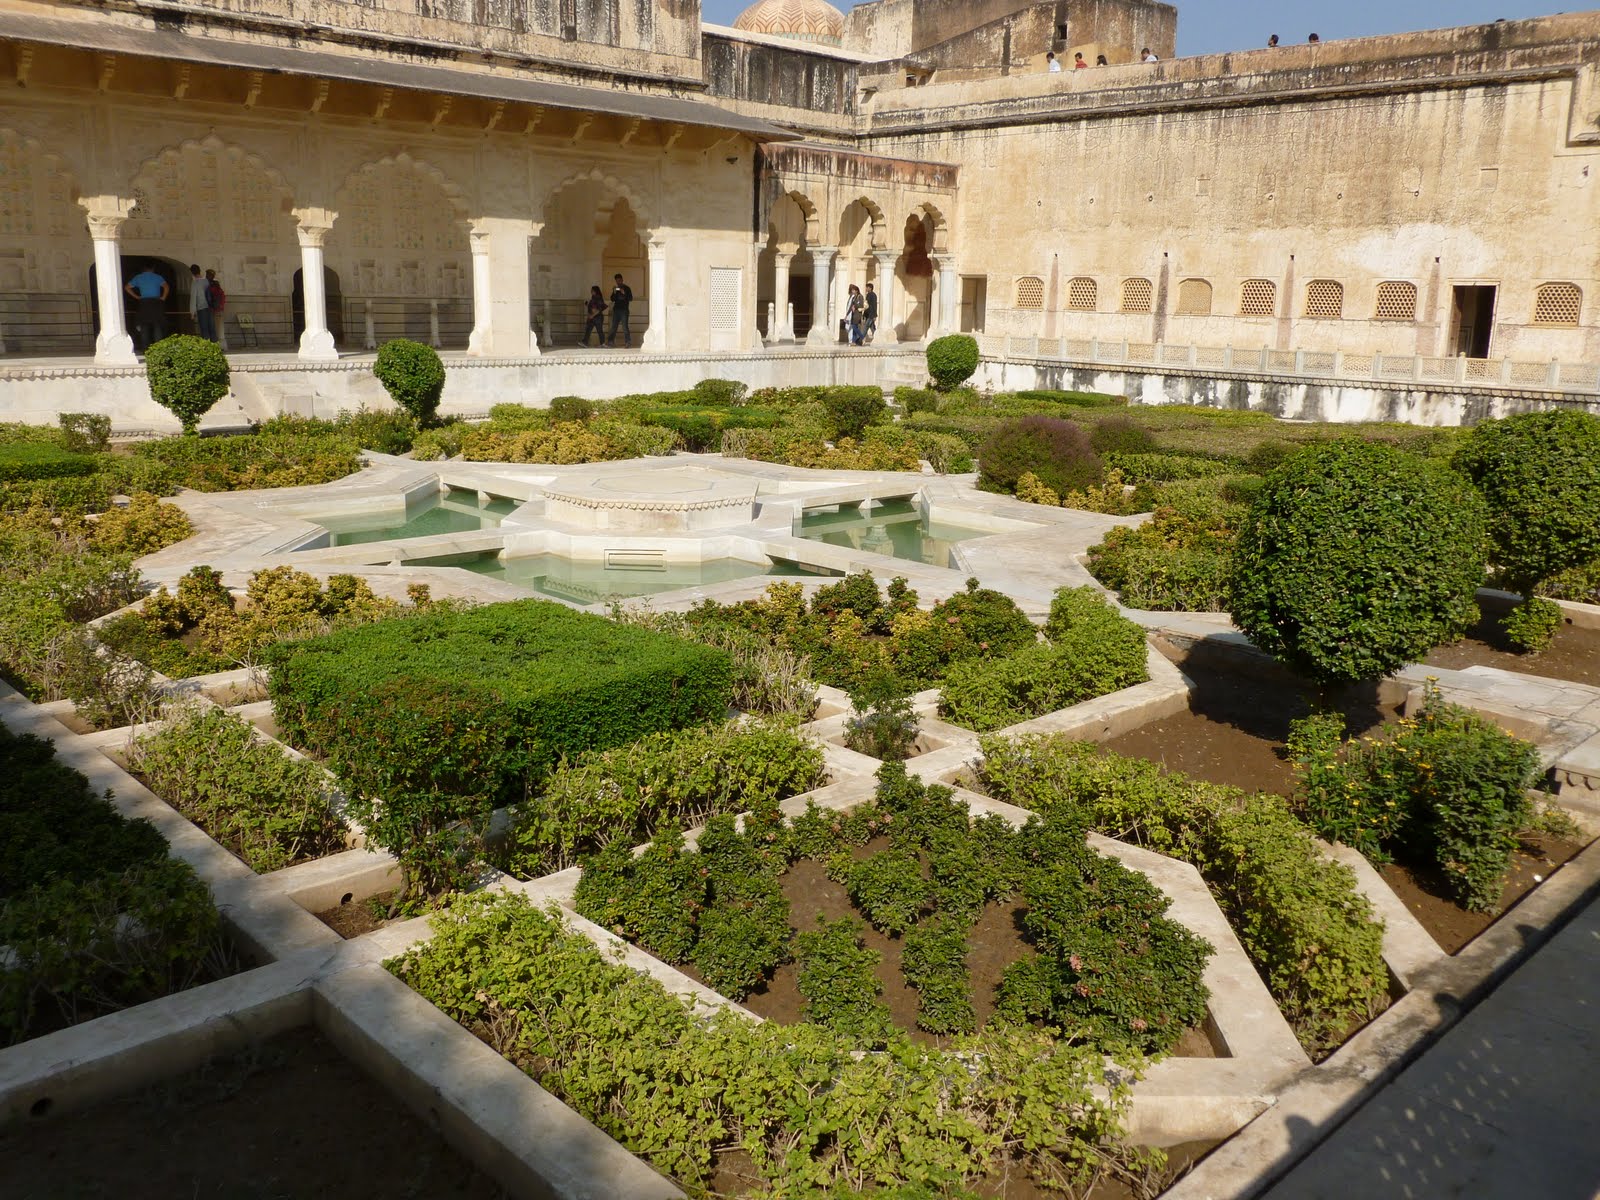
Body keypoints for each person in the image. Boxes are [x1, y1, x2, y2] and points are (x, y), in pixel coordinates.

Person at [124, 262, 168, 351]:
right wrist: (163, 298)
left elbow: (127, 287)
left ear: (143, 269)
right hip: (156, 302)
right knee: (157, 326)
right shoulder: (158, 277)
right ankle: (158, 350)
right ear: (153, 268)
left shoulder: (139, 277)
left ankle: (145, 350)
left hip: (144, 303)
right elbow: (166, 287)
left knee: (144, 327)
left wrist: (137, 297)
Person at [188, 263, 215, 342]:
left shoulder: (195, 283)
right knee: (212, 328)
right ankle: (215, 346)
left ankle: (206, 347)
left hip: (201, 308)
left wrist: (192, 312)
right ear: (200, 270)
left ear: (192, 273)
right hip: (210, 307)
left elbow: (193, 299)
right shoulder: (207, 281)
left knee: (204, 329)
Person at [607, 273, 633, 347]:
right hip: (616, 310)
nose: (618, 282)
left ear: (622, 280)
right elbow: (612, 299)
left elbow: (631, 298)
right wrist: (614, 292)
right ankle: (610, 342)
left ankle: (628, 342)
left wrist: (624, 293)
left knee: (625, 327)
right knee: (614, 327)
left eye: (619, 280)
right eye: (617, 281)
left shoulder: (627, 288)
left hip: (624, 310)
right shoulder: (616, 289)